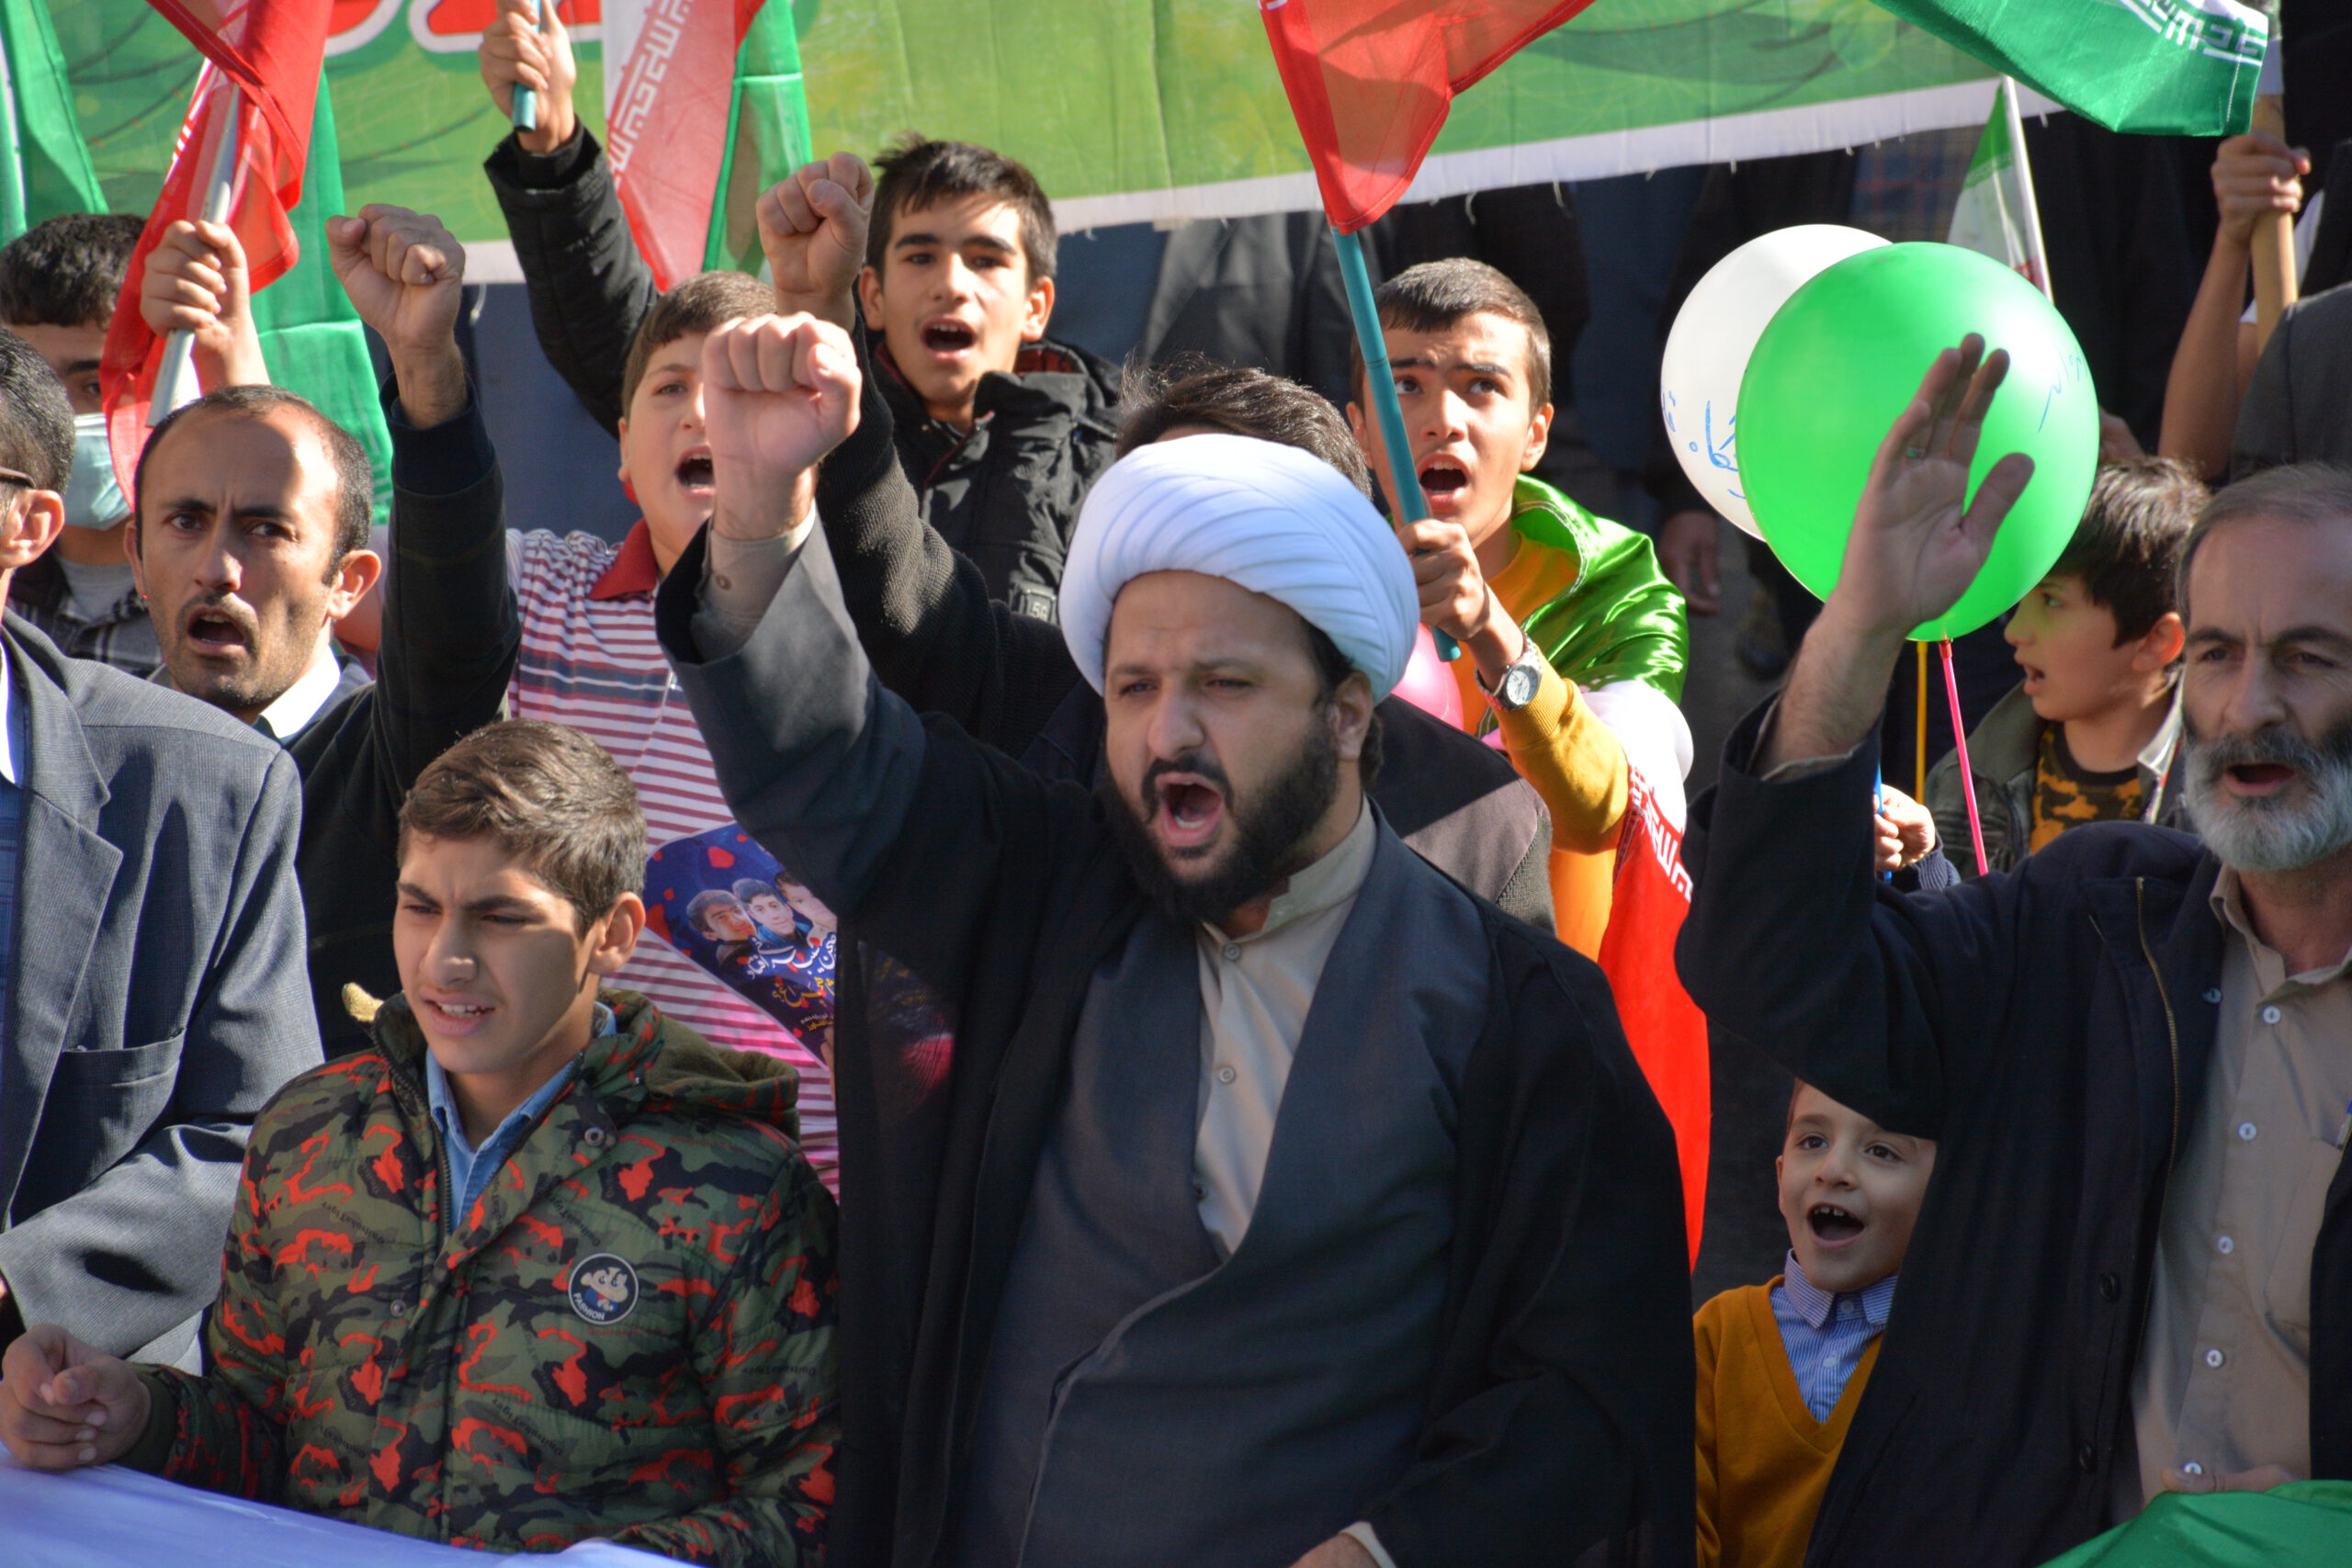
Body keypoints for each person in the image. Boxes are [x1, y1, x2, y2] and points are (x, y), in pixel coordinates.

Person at [656, 310, 1691, 1567]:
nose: (1168, 732)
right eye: (1135, 687)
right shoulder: (1042, 881)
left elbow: (1588, 1385)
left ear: (1349, 713)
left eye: (1226, 684)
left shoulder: (1516, 1010)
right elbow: (828, 763)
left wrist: (1389, 1549)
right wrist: (759, 506)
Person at [1679, 333, 2352, 1565]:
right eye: (2219, 652)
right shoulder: (2088, 924)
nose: (2251, 703)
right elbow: (1768, 963)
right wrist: (1861, 627)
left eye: (2308, 658)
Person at [0, 718, 838, 1562]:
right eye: (420, 906)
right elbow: (263, 1434)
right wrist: (137, 1413)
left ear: (613, 933)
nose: (446, 958)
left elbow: (816, 1501)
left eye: (502, 916)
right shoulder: (307, 1138)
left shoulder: (736, 1186)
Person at [755, 164, 1555, 927]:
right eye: (1157, 530)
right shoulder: (1058, 718)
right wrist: (821, 316)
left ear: (1347, 712)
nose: (1169, 731)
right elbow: (899, 592)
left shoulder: (1479, 824)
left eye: (1230, 540)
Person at [478, 0, 1117, 620]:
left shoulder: (1119, 453)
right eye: (920, 257)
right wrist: (554, 149)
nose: (951, 284)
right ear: (871, 294)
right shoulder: (800, 407)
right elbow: (625, 338)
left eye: (985, 259)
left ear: (1037, 304)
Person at [125, 208, 518, 1060]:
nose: (218, 567)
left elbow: (454, 629)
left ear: (350, 583)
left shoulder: (401, 761)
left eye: (266, 530)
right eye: (185, 522)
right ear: (136, 556)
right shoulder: (83, 756)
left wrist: (425, 368)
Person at [0, 327, 315, 1365]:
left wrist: (24, 1288)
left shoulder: (201, 785)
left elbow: (255, 1128)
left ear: (30, 524)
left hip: (64, 1404)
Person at [501, 268, 839, 1184]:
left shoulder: (867, 632)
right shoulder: (543, 588)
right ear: (622, 450)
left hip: (801, 1171)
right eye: (670, 387)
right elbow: (327, 561)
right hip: (570, 1163)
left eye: (737, 387)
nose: (700, 412)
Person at [1346, 257, 1690, 953]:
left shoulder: (1617, 586)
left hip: (1557, 989)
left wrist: (1492, 636)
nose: (1444, 420)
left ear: (1536, 433)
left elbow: (1607, 813)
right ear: (1359, 429)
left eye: (1482, 386)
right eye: (1406, 385)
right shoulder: (1315, 585)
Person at [1694, 1084, 1937, 1568]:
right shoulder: (1717, 1335)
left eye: (1881, 1151)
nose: (1833, 1170)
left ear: (1944, 1196)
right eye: (1813, 1141)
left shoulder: (1958, 1350)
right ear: (1780, 1178)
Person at [1925, 458, 2202, 875]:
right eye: (2022, 599)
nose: (2014, 631)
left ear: (2156, 642)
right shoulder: (1964, 782)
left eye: (2052, 601)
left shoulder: (2220, 800)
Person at [0, 213, 160, 674]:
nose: (57, 417)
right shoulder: (10, 576)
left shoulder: (216, 592)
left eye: (95, 386)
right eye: (27, 389)